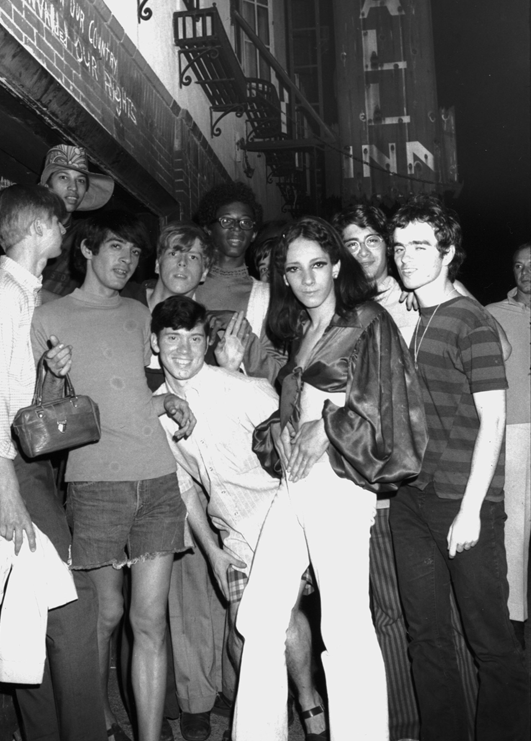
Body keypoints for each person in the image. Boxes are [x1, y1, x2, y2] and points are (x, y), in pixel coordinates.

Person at [234, 216, 428, 741]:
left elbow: (398, 415)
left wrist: (329, 428)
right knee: (259, 614)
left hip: (342, 484)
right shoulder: (300, 330)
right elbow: (293, 407)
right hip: (296, 484)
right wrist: (279, 429)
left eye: (317, 265)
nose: (307, 278)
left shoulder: (368, 321)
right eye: (294, 270)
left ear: (337, 266)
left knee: (344, 623)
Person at [31, 210, 195, 741]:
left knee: (148, 623)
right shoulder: (48, 316)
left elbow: (139, 384)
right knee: (104, 616)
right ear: (86, 250)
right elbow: (39, 416)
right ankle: (96, 724)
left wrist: (165, 397)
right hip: (96, 484)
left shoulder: (136, 312)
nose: (126, 261)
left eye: (133, 252)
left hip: (157, 480)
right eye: (116, 248)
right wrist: (54, 377)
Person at [0, 184, 106, 741]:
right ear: (37, 230)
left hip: (26, 468)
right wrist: (10, 495)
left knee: (35, 611)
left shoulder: (24, 295)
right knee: (72, 607)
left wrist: (51, 370)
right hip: (11, 472)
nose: (65, 234)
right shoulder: (0, 295)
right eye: (60, 224)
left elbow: (24, 403)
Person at [151, 296, 328, 741]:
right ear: (155, 344)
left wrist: (302, 530)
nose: (184, 350)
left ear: (207, 342)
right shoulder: (153, 410)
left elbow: (293, 460)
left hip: (280, 517)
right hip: (230, 532)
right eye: (172, 338)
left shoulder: (244, 388)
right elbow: (185, 486)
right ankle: (263, 707)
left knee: (276, 615)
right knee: (239, 629)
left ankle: (308, 708)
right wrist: (211, 553)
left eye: (194, 338)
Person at [332, 203, 478, 741]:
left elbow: (490, 345)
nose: (366, 252)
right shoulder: (339, 307)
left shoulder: (420, 294)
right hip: (366, 483)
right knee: (390, 616)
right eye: (353, 242)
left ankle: (463, 723)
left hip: (426, 479)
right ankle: (406, 727)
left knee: (444, 616)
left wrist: (445, 284)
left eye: (376, 239)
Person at [389, 195, 530, 741]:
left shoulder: (469, 321)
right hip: (412, 500)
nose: (405, 257)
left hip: (463, 502)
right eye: (400, 247)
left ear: (447, 252)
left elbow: (493, 421)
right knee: (426, 638)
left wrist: (472, 511)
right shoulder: (414, 318)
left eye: (420, 246)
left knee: (491, 641)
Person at [124, 221, 246, 741]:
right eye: (176, 253)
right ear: (158, 260)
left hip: (194, 477)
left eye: (197, 258)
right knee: (141, 609)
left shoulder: (210, 327)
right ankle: (154, 711)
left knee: (196, 592)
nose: (184, 264)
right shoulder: (129, 314)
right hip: (134, 474)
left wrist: (230, 366)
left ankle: (201, 703)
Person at [486, 241, 531, 647]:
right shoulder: (491, 315)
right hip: (514, 432)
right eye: (519, 266)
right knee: (514, 529)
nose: (526, 272)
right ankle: (515, 620)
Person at [194, 181, 284, 382]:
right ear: (209, 229)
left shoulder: (268, 297)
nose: (236, 229)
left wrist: (239, 328)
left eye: (245, 222)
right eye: (226, 221)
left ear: (253, 234)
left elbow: (279, 375)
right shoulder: (187, 286)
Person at [40, 144, 114, 299]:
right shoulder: (27, 227)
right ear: (47, 185)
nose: (73, 187)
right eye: (63, 177)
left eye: (80, 180)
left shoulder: (88, 234)